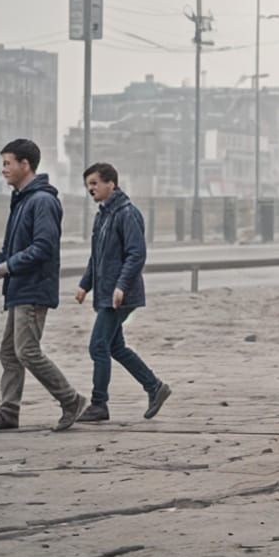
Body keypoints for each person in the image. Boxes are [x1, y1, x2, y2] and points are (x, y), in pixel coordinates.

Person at [0, 139, 86, 433]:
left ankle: (71, 400)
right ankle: (9, 411)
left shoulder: (42, 201)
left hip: (34, 289)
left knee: (27, 351)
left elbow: (43, 247)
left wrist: (6, 268)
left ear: (26, 165)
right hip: (19, 288)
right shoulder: (22, 200)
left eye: (8, 163)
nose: (4, 170)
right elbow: (11, 248)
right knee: (10, 353)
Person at [73, 163, 171, 422]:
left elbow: (136, 253)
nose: (90, 189)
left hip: (119, 295)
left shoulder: (127, 213)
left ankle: (99, 404)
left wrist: (121, 286)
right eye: (87, 185)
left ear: (111, 184)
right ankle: (154, 387)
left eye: (94, 183)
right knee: (115, 346)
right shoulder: (103, 215)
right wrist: (85, 285)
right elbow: (97, 257)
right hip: (106, 292)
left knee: (98, 346)